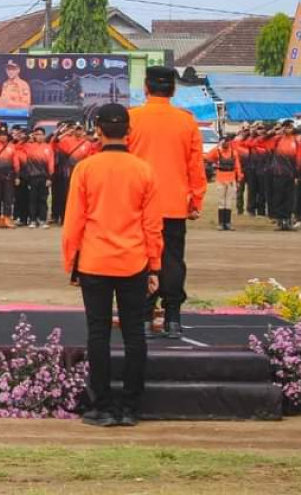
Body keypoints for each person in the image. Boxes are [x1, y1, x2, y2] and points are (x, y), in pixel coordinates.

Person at [62, 103, 161, 428]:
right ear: (128, 131)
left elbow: (73, 223)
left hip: (94, 260)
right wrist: (155, 267)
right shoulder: (143, 170)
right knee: (135, 334)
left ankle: (101, 405)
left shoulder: (86, 169)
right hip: (134, 261)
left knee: (98, 333)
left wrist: (71, 263)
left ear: (99, 131)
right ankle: (131, 406)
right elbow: (152, 225)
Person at [128, 66, 205, 339]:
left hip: (138, 204)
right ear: (172, 90)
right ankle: (173, 318)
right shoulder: (186, 121)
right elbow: (195, 164)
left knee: (141, 260)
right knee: (173, 260)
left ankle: (145, 318)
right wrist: (196, 199)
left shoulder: (132, 118)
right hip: (173, 203)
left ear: (146, 88)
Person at [53, 123, 97, 225]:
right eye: (77, 129)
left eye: (80, 129)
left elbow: (90, 157)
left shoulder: (87, 144)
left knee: (82, 195)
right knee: (66, 195)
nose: (78, 131)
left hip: (82, 172)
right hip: (68, 171)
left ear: (83, 131)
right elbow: (55, 142)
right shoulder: (66, 140)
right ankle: (64, 218)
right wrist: (65, 133)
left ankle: (80, 218)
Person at [265, 121, 301, 230]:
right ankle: (280, 221)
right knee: (278, 197)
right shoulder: (277, 139)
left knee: (289, 198)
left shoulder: (296, 141)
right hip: (278, 173)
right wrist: (271, 133)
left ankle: (287, 220)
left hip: (290, 173)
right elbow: (263, 142)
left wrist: (297, 173)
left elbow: (298, 158)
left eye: (290, 127)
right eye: (286, 127)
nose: (288, 129)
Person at [16, 127, 55, 228]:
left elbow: (51, 163)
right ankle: (33, 220)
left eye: (41, 134)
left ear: (44, 135)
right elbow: (18, 146)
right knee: (32, 199)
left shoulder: (48, 147)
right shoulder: (28, 146)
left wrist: (50, 178)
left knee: (43, 199)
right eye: (37, 134)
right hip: (32, 177)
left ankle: (42, 220)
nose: (39, 136)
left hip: (44, 177)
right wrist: (27, 137)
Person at [206, 136, 242, 232]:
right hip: (221, 178)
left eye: (227, 142)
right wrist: (217, 146)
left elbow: (237, 166)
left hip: (230, 179)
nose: (226, 144)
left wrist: (239, 178)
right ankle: (221, 223)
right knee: (222, 202)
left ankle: (228, 223)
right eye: (224, 142)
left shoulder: (233, 152)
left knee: (228, 202)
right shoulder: (218, 151)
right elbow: (207, 157)